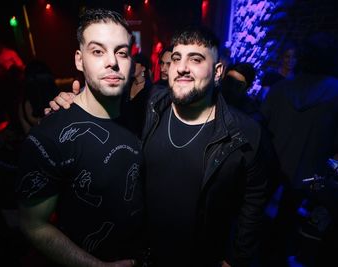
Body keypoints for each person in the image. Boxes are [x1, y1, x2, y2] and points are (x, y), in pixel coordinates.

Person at [51, 25, 271, 267]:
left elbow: (255, 198)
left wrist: (236, 258)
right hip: (141, 253)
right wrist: (73, 105)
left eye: (195, 59)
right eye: (177, 58)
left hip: (201, 257)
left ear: (218, 71)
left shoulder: (245, 132)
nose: (182, 67)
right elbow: (101, 118)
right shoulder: (148, 106)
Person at [16, 8, 147, 267]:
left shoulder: (142, 116)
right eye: (98, 51)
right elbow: (33, 225)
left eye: (121, 52)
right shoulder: (49, 136)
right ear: (79, 59)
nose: (113, 61)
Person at [259, 32, 338, 267]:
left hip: (271, 178)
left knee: (262, 240)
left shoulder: (279, 90)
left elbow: (262, 130)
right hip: (313, 183)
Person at [121, 52, 153, 137]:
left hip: (139, 135)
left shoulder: (149, 88)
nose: (131, 66)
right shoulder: (127, 84)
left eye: (134, 64)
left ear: (143, 68)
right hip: (123, 130)